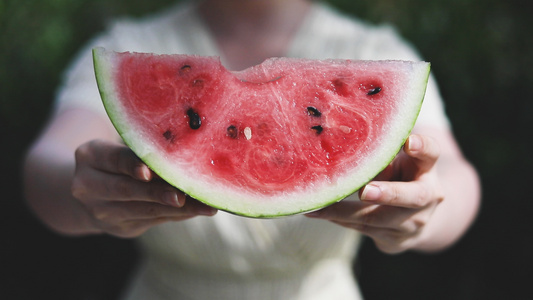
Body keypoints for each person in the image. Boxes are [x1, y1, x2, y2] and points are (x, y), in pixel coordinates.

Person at [23, 0, 481, 299]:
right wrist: (82, 195)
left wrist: (427, 212)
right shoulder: (128, 48)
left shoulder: (375, 52)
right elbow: (48, 163)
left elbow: (458, 179)